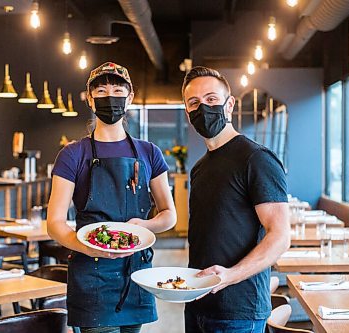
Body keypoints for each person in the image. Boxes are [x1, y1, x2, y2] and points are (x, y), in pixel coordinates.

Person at [47, 62, 177, 333]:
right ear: (91, 100)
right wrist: (85, 247)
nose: (110, 97)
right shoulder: (72, 154)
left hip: (136, 271)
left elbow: (169, 215)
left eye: (118, 90)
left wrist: (145, 226)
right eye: (102, 91)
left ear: (129, 98)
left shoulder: (149, 152)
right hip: (91, 273)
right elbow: (55, 222)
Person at [181, 66, 291, 333]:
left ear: (229, 105)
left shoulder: (256, 159)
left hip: (239, 311)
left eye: (211, 99)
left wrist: (229, 276)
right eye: (194, 103)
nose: (202, 108)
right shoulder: (199, 168)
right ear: (187, 113)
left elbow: (280, 237)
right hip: (197, 302)